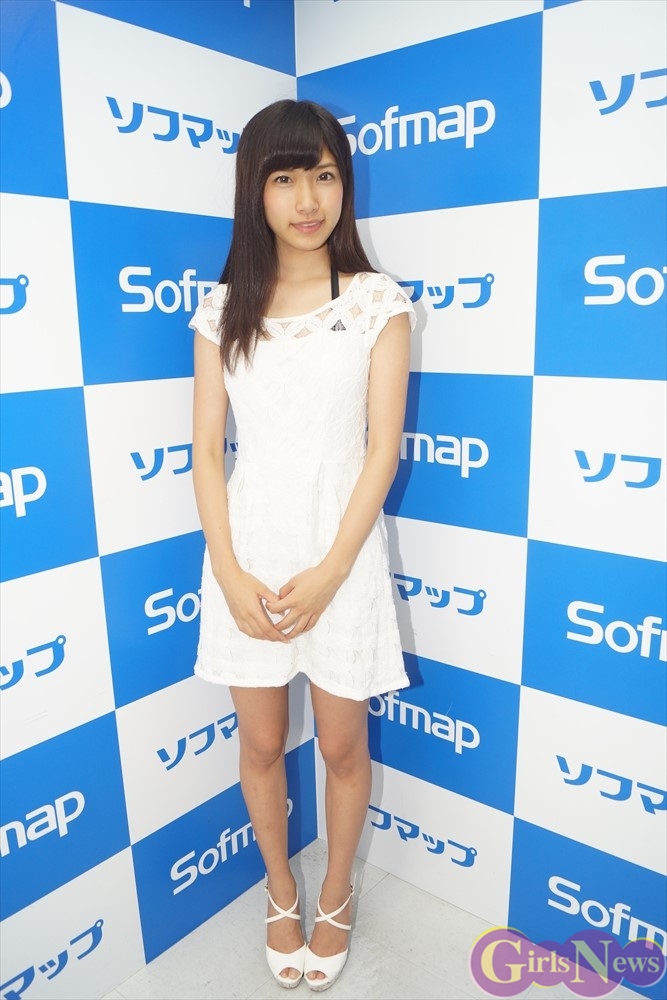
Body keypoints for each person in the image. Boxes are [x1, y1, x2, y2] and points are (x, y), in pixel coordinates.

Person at [190, 98, 415, 992]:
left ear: (343, 182)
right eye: (283, 178)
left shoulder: (374, 302)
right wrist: (227, 569)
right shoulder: (223, 310)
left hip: (340, 559)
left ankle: (335, 892)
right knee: (258, 744)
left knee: (341, 747)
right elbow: (206, 451)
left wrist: (328, 573)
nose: (307, 198)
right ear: (255, 190)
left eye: (323, 174)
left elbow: (381, 450)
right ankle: (279, 890)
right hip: (246, 558)